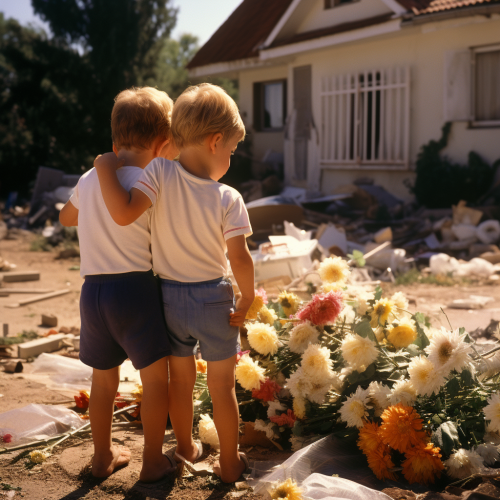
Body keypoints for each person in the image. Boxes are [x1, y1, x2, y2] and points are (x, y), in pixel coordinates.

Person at [94, 83, 255, 483]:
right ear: (216, 142)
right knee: (221, 387)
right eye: (232, 150)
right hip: (214, 300)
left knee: (180, 382)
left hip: (168, 299)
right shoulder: (228, 197)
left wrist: (104, 170)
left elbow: (130, 210)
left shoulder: (160, 172)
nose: (231, 158)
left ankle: (183, 448)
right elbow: (240, 257)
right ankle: (230, 463)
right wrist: (247, 295)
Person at [59, 87, 179, 482]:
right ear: (164, 144)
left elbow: (66, 218)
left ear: (114, 141)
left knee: (103, 380)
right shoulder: (153, 180)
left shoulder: (92, 177)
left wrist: (94, 197)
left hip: (92, 294)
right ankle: (152, 459)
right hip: (135, 291)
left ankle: (102, 456)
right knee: (153, 377)